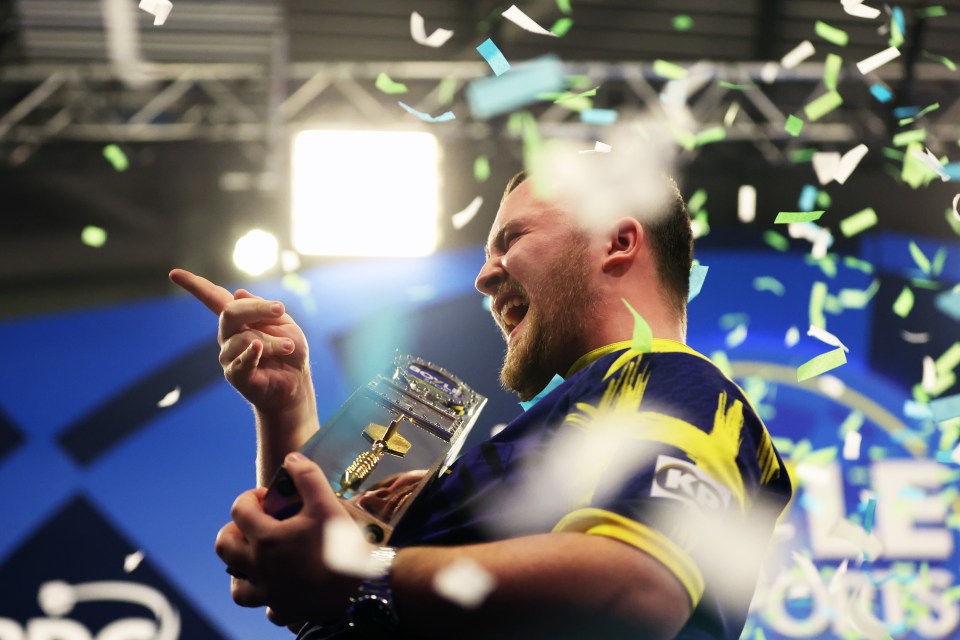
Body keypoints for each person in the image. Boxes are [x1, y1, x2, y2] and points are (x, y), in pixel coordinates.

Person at [170, 169, 792, 640]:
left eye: (511, 240)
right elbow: (323, 590)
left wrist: (362, 573)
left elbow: (634, 589)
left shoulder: (676, 384)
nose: (483, 277)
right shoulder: (550, 435)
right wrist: (286, 404)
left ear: (618, 242)